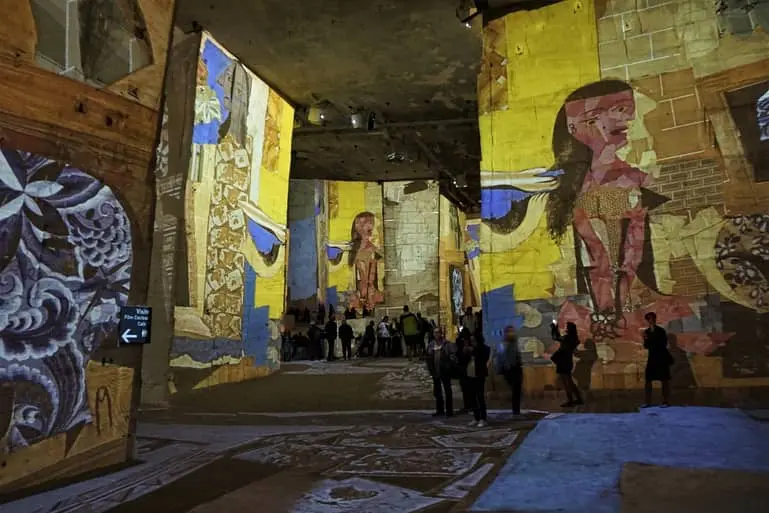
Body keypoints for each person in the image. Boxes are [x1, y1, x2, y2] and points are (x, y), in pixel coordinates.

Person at [642, 312, 673, 407]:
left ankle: (665, 401)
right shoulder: (646, 332)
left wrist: (650, 340)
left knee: (664, 380)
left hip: (661, 357)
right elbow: (646, 346)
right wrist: (646, 339)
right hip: (652, 358)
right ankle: (648, 402)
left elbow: (662, 343)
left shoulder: (661, 331)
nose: (651, 321)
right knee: (648, 380)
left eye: (652, 318)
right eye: (649, 319)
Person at [551, 321, 584, 407]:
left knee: (566, 382)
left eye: (567, 327)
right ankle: (579, 399)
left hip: (563, 361)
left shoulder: (567, 338)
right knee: (569, 381)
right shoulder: (573, 339)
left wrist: (554, 327)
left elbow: (555, 337)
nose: (566, 328)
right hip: (568, 361)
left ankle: (570, 401)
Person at [426, 326, 457, 417]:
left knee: (447, 390)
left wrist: (450, 365)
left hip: (445, 371)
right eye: (435, 333)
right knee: (437, 392)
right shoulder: (431, 345)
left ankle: (449, 411)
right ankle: (440, 410)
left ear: (441, 333)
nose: (436, 334)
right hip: (435, 371)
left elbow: (453, 355)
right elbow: (428, 356)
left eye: (438, 332)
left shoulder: (447, 344)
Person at [494, 325, 523, 415]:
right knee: (514, 390)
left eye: (512, 331)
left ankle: (516, 411)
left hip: (517, 368)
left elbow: (517, 356)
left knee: (517, 391)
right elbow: (500, 357)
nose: (511, 333)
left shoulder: (515, 343)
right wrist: (500, 370)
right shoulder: (503, 344)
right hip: (509, 369)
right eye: (509, 332)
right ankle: (515, 410)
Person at [467, 333, 491, 427]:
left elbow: (483, 359)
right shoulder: (470, 349)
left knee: (480, 396)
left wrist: (474, 351)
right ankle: (476, 417)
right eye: (471, 340)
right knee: (472, 397)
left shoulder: (484, 348)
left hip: (479, 375)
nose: (472, 342)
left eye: (474, 340)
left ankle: (483, 418)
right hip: (470, 374)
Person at [456, 328, 475, 414]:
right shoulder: (459, 342)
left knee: (469, 387)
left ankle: (470, 405)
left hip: (468, 367)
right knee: (465, 387)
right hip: (463, 367)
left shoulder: (470, 342)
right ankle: (468, 406)